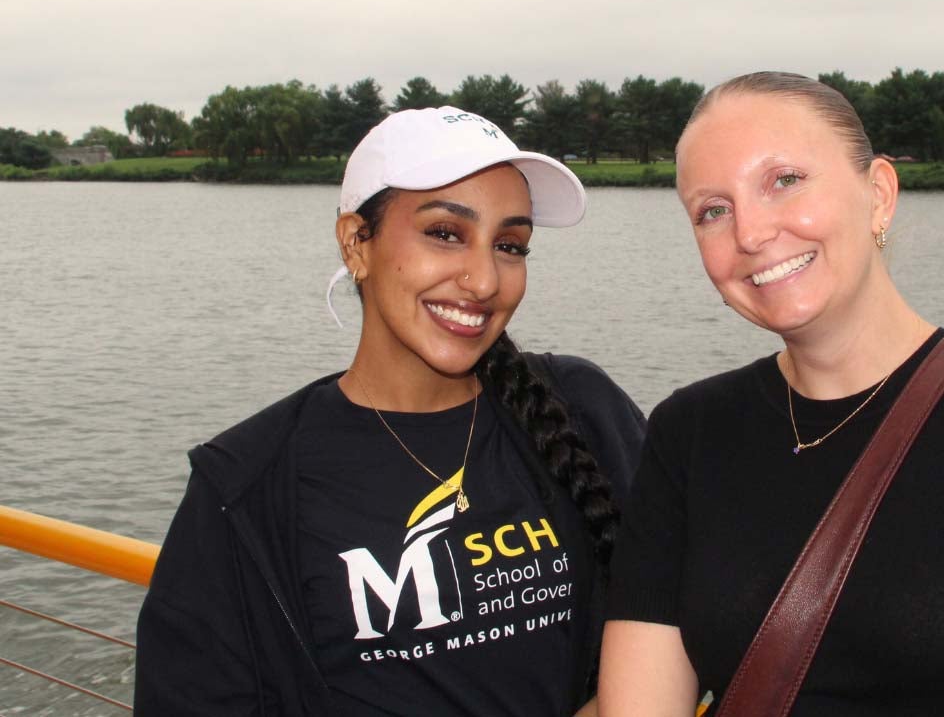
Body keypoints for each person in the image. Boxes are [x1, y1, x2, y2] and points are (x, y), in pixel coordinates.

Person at [135, 107, 645, 716]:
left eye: (510, 245)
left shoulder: (582, 407)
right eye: (445, 233)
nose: (484, 280)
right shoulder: (248, 484)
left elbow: (684, 606)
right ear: (356, 243)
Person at [598, 73, 944, 716]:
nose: (750, 233)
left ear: (878, 194)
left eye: (784, 181)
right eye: (714, 210)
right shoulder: (688, 433)